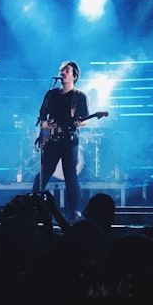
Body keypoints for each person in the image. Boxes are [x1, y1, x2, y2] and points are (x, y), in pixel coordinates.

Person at [34, 60, 91, 223]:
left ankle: (76, 211)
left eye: (66, 69)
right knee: (44, 173)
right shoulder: (50, 94)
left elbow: (86, 119)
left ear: (74, 75)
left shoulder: (79, 96)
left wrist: (79, 122)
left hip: (69, 141)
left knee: (70, 175)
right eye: (61, 69)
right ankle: (33, 203)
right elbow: (41, 120)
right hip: (51, 140)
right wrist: (47, 125)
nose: (62, 72)